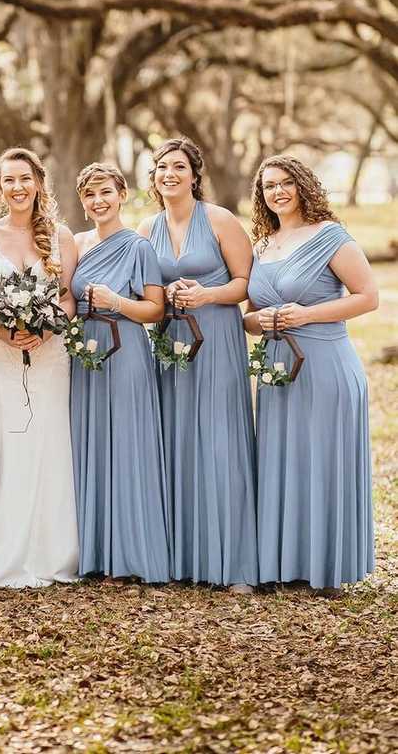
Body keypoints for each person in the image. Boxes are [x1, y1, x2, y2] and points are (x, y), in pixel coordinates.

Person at [244, 155, 377, 594]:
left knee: (321, 462)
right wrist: (259, 322)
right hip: (277, 368)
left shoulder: (330, 236)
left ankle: (325, 569)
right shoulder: (262, 245)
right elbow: (249, 316)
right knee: (282, 461)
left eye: (285, 183)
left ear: (302, 186)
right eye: (268, 187)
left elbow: (367, 297)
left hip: (324, 366)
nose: (277, 192)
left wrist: (307, 315)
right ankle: (284, 563)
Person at [139, 138, 258, 592]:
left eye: (178, 166)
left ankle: (235, 563)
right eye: (161, 167)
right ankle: (186, 557)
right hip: (173, 344)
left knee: (220, 439)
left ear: (194, 174)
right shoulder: (148, 228)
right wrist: (163, 297)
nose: (169, 174)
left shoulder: (220, 219)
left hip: (219, 340)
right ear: (154, 177)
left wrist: (207, 294)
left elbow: (245, 283)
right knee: (178, 438)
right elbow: (146, 289)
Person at [0, 147, 79, 589]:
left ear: (39, 183)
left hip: (52, 357)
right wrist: (1, 332)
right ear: (0, 187)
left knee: (49, 443)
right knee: (2, 441)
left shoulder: (62, 236)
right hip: (1, 358)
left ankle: (50, 550)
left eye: (24, 179)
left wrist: (51, 328)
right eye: (8, 180)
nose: (17, 187)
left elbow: (67, 295)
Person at [70, 162, 170, 584]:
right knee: (88, 443)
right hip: (84, 354)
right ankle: (91, 551)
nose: (99, 201)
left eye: (106, 192)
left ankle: (129, 554)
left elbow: (156, 309)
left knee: (126, 444)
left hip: (126, 348)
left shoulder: (139, 247)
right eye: (90, 195)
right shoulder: (75, 244)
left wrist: (116, 302)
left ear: (122, 194)